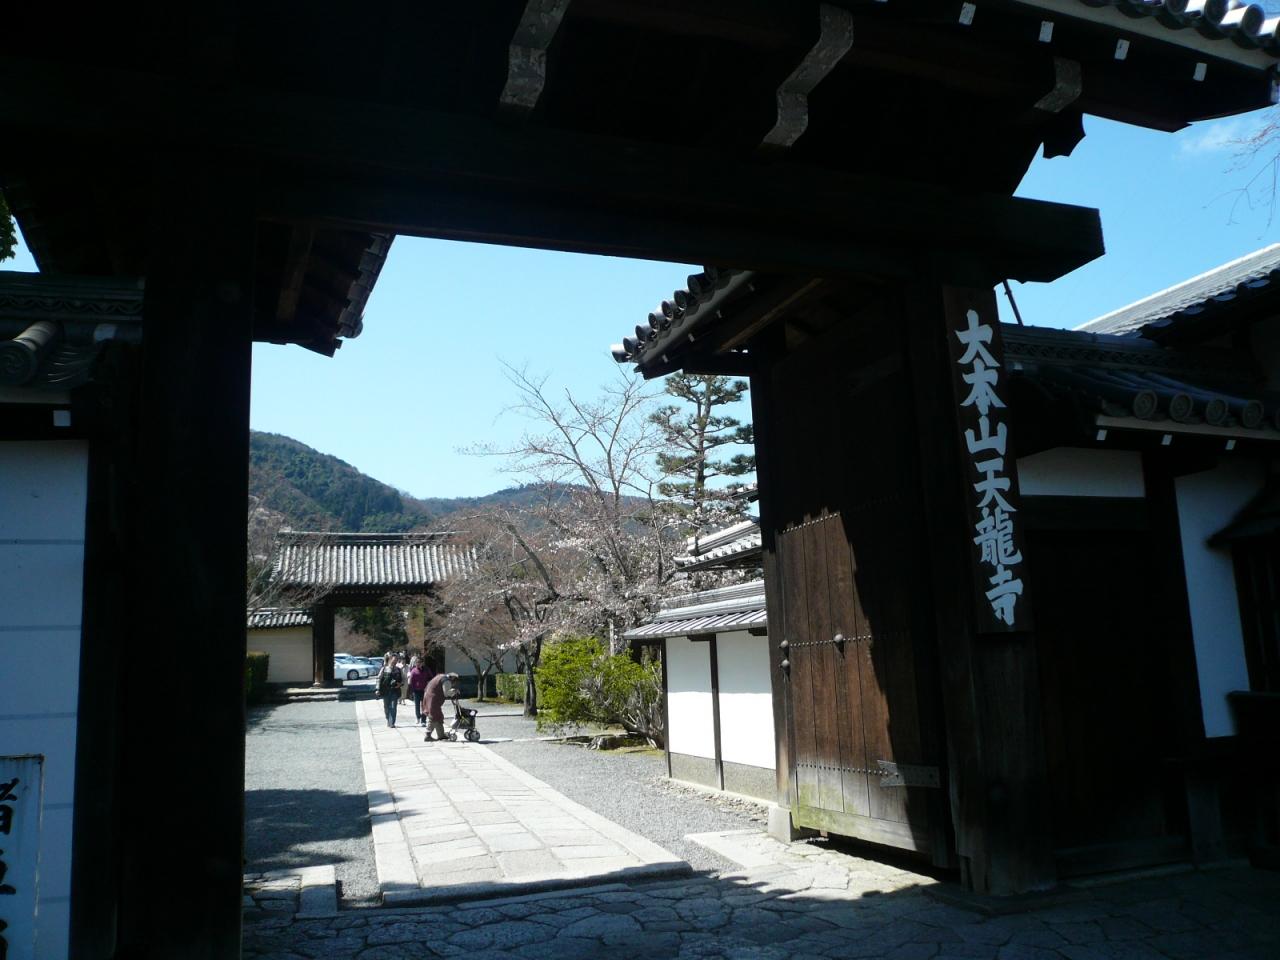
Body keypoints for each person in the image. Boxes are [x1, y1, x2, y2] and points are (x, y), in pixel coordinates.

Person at [422, 671, 458, 742]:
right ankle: (428, 735)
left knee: (438, 716)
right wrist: (455, 691)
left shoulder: (440, 676)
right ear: (453, 678)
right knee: (434, 717)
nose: (453, 684)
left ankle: (441, 735)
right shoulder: (446, 680)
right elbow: (446, 693)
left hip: (428, 697)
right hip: (433, 699)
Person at [376, 653, 403, 728]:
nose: (394, 662)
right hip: (385, 691)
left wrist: (400, 684)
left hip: (395, 691)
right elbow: (378, 679)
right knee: (386, 707)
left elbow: (403, 680)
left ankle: (392, 723)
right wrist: (377, 689)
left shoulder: (398, 670)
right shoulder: (384, 669)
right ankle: (388, 719)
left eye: (396, 660)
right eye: (393, 660)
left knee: (393, 707)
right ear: (390, 660)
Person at [408, 656, 434, 726]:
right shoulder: (413, 671)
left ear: (422, 663)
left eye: (419, 662)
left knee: (424, 706)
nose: (417, 664)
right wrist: (412, 690)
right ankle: (418, 717)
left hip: (424, 691)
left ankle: (423, 720)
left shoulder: (426, 669)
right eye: (416, 662)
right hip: (416, 691)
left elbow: (431, 678)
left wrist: (428, 685)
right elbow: (411, 681)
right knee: (417, 705)